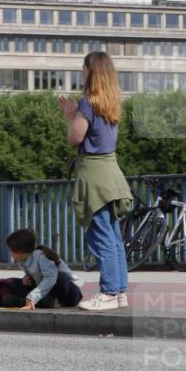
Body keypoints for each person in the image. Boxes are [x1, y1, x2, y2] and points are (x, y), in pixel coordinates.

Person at [59, 51, 132, 312]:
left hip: (94, 176)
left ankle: (109, 292)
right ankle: (119, 291)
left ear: (92, 71)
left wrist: (71, 118)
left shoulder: (89, 102)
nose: (81, 71)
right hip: (111, 173)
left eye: (84, 67)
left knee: (101, 236)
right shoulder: (110, 102)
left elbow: (75, 138)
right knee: (113, 237)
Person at [1, 228, 83, 309]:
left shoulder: (41, 257)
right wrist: (27, 279)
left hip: (68, 293)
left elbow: (50, 279)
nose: (9, 253)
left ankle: (37, 302)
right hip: (47, 294)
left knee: (58, 278)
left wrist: (32, 297)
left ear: (19, 251)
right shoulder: (22, 261)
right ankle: (33, 302)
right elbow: (36, 277)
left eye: (10, 251)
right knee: (13, 283)